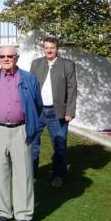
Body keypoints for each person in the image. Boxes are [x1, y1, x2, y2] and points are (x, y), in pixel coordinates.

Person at [0, 45, 43, 221]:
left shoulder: (28, 78)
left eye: (10, 56)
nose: (6, 59)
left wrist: (28, 123)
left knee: (23, 173)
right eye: (2, 56)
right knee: (0, 173)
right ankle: (4, 211)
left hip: (21, 130)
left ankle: (24, 214)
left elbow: (37, 104)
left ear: (17, 57)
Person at [29, 36, 77, 187]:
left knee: (59, 145)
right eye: (46, 47)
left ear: (57, 49)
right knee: (32, 143)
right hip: (37, 111)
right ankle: (31, 172)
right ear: (43, 49)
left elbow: (72, 89)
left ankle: (58, 175)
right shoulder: (36, 63)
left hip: (58, 113)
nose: (49, 50)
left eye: (52, 48)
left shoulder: (67, 64)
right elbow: (30, 87)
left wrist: (70, 111)